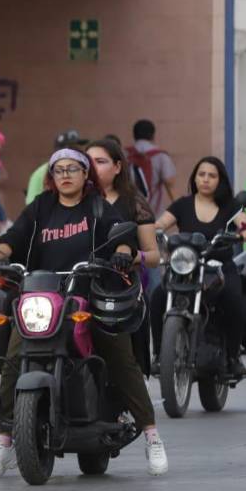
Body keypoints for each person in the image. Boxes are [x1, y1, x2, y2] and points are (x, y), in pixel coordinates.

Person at [0, 148, 168, 478]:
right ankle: (4, 441)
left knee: (119, 356)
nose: (65, 175)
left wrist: (122, 253)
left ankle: (152, 435)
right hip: (42, 299)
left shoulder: (98, 206)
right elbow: (14, 235)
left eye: (73, 169)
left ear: (85, 174)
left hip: (87, 296)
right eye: (59, 170)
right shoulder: (41, 207)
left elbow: (122, 235)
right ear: (51, 176)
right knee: (12, 359)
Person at [153, 157, 246, 378]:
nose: (206, 179)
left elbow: (245, 222)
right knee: (157, 297)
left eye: (212, 175)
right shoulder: (182, 204)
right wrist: (153, 229)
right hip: (186, 267)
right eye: (201, 175)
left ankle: (233, 358)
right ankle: (159, 355)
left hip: (220, 267)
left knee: (234, 301)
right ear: (195, 178)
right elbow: (161, 223)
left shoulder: (230, 206)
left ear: (220, 180)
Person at [88, 138, 159, 375]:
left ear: (117, 167)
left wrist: (131, 256)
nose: (93, 167)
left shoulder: (133, 202)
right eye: (89, 162)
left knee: (126, 363)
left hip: (120, 289)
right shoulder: (78, 199)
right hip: (80, 284)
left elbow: (154, 257)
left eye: (101, 161)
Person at [128, 119, 177, 218]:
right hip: (154, 215)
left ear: (134, 135)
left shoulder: (124, 155)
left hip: (129, 214)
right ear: (153, 135)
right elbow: (170, 186)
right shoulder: (161, 156)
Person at [25, 129, 88, 203]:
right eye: (73, 148)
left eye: (78, 147)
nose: (78, 150)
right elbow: (31, 203)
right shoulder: (41, 172)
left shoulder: (83, 168)